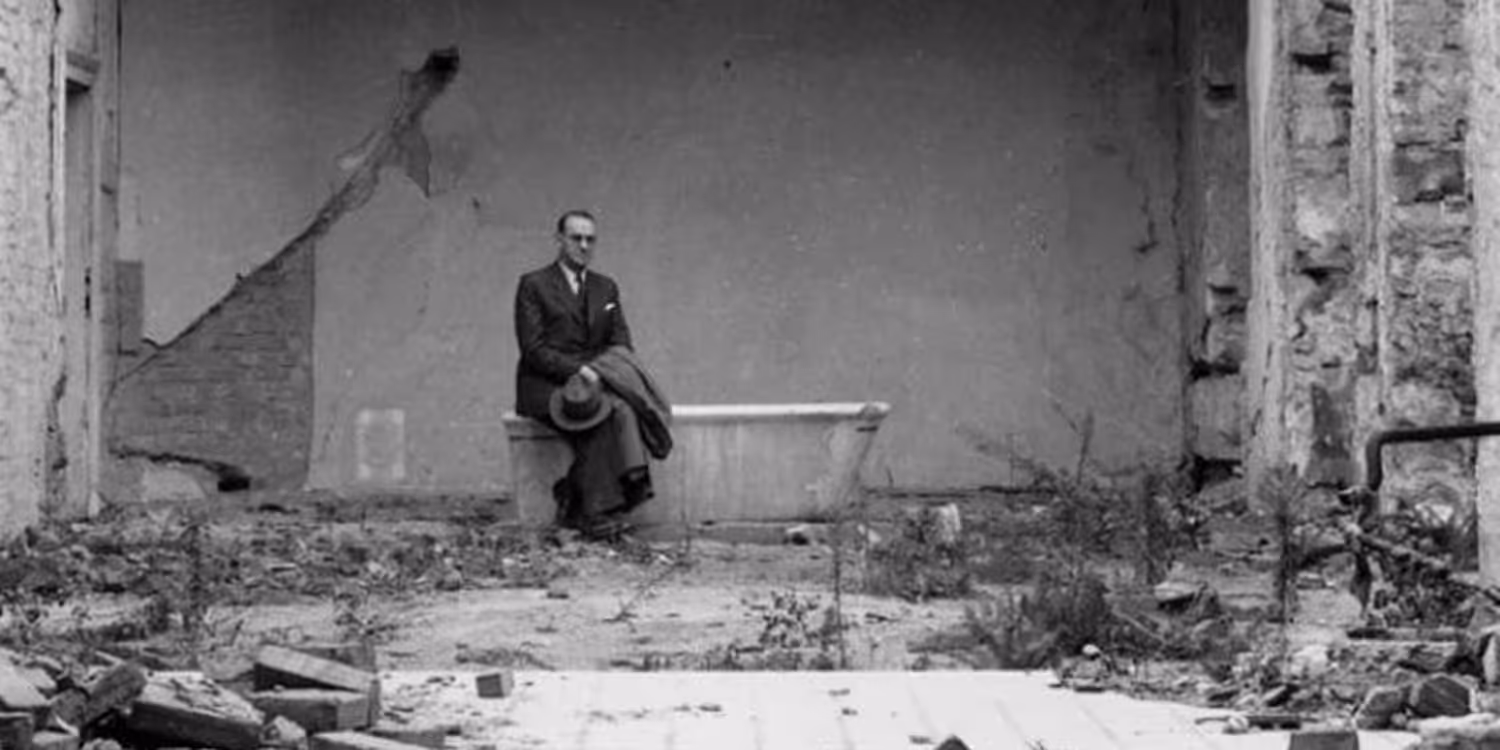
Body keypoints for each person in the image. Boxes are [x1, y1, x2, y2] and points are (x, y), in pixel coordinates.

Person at [514, 210, 669, 539]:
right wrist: (578, 370)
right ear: (559, 239)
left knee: (625, 410)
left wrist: (604, 372)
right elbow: (533, 349)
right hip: (545, 384)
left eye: (590, 239)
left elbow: (620, 341)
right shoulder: (534, 285)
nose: (583, 246)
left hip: (594, 382)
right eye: (576, 238)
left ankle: (575, 497)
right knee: (599, 422)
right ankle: (595, 513)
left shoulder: (606, 289)